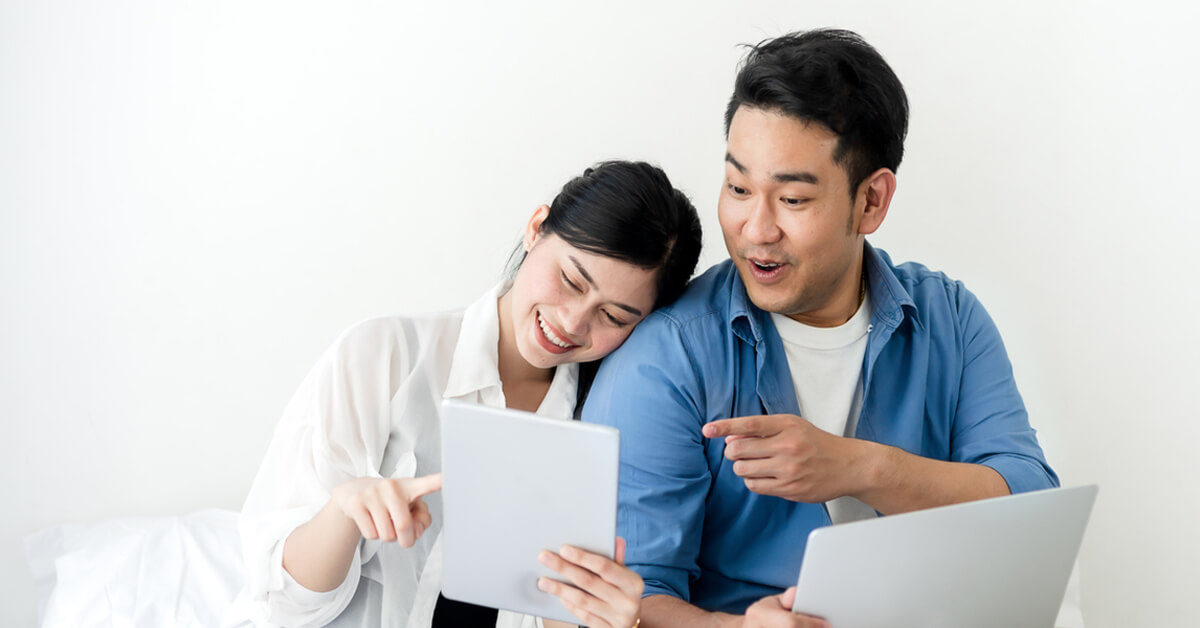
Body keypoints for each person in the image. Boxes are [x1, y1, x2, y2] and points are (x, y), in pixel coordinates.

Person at [581, 29, 1059, 627]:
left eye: (793, 200)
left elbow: (1032, 506)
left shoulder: (951, 319)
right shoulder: (668, 355)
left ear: (872, 202)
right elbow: (622, 597)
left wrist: (861, 467)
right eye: (737, 188)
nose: (755, 229)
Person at [238, 160, 703, 628]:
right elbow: (283, 608)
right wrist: (344, 511)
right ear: (536, 228)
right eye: (571, 280)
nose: (574, 322)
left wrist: (594, 617)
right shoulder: (384, 357)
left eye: (615, 317)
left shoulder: (601, 435)